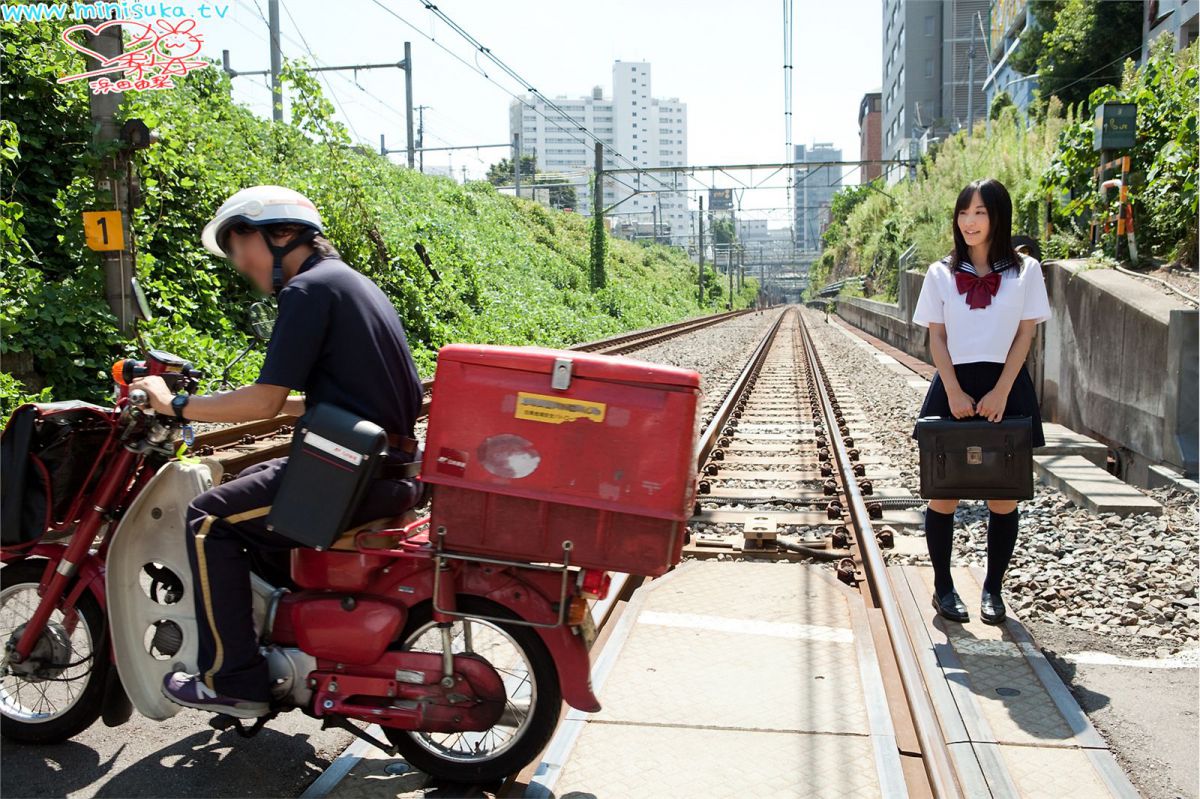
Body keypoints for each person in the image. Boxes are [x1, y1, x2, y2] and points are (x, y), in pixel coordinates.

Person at [129, 186, 425, 718]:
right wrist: (210, 405)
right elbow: (310, 401)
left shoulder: (307, 291)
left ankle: (234, 679)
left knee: (207, 519)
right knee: (254, 486)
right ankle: (281, 649)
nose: (240, 263)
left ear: (277, 234)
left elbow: (264, 402)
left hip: (350, 474)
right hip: (382, 465)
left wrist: (174, 403)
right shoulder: (350, 284)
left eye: (239, 245)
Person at [909, 177, 1052, 626]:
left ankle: (993, 588)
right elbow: (937, 336)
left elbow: (1026, 334)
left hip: (1005, 386)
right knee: (943, 495)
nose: (969, 222)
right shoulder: (940, 272)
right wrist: (951, 390)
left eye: (980, 213)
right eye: (963, 212)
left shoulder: (1025, 271)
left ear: (998, 217)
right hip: (953, 383)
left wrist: (1001, 391)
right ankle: (943, 587)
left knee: (1002, 497)